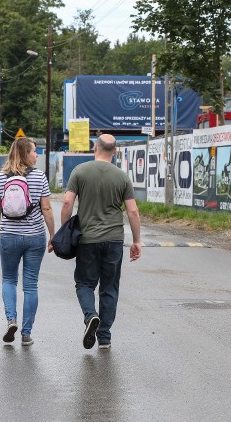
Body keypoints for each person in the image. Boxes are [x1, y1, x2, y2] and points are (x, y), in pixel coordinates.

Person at [60, 133, 142, 350]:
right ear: (114, 151)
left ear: (95, 148)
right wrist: (137, 241)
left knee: (85, 283)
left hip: (87, 239)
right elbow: (133, 212)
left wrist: (63, 232)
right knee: (109, 287)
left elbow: (67, 202)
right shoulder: (122, 177)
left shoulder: (79, 171)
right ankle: (104, 337)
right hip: (114, 240)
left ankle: (90, 316)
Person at [0, 137, 55, 346]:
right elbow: (46, 208)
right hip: (35, 237)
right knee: (31, 286)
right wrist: (53, 234)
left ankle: (11, 320)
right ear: (25, 154)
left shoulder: (1, 178)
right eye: (34, 151)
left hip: (9, 236)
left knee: (9, 280)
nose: (37, 155)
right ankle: (26, 334)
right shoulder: (39, 177)